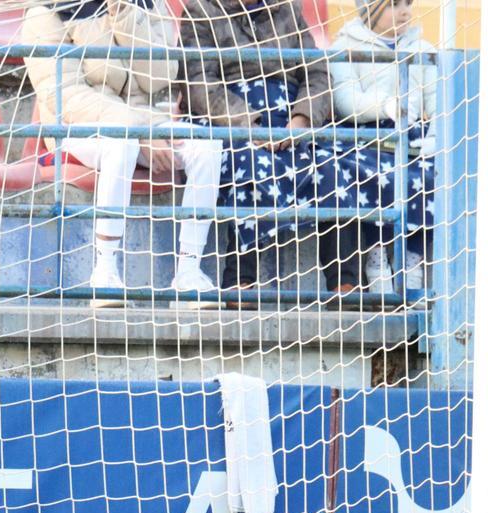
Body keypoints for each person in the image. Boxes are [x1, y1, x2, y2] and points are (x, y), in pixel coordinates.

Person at [22, 0, 227, 307]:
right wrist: (137, 129)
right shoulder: (44, 13)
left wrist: (127, 16)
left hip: (146, 123)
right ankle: (104, 274)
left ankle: (188, 275)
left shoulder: (146, 4)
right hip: (78, 128)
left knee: (207, 148)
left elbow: (161, 76)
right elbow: (66, 96)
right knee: (122, 143)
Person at [181, 0, 367, 298]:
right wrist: (249, 124)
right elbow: (198, 81)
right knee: (252, 166)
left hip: (290, 117)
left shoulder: (288, 9)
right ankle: (239, 281)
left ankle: (344, 282)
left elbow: (317, 73)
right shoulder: (202, 10)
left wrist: (300, 119)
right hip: (234, 118)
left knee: (332, 168)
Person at [330, 0, 437, 292]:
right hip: (367, 137)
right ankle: (377, 256)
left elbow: (439, 99)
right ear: (368, 8)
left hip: (412, 138)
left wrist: (436, 135)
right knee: (369, 174)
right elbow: (344, 100)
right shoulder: (345, 46)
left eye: (408, 3)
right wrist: (385, 104)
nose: (404, 11)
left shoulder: (423, 49)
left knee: (428, 175)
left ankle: (412, 258)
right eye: (393, 4)